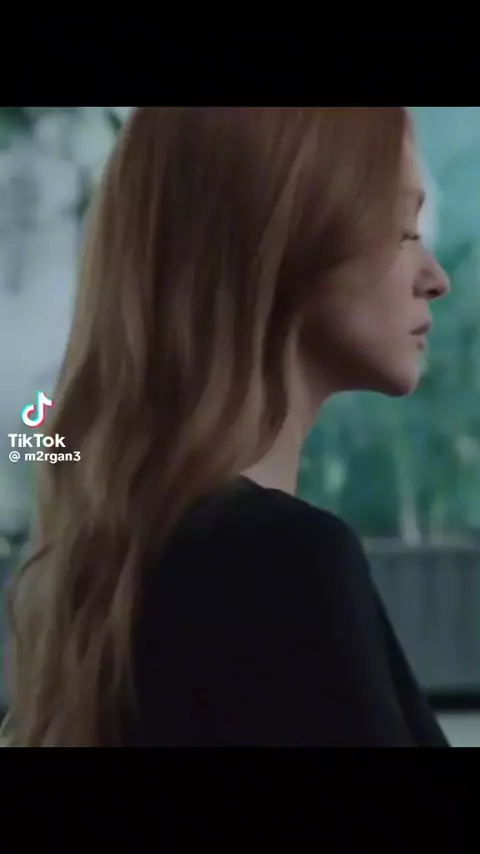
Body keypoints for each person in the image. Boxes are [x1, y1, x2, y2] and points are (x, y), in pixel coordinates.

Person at [5, 107, 450, 747]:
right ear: (286, 234)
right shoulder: (278, 564)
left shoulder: (132, 562)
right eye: (404, 230)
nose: (436, 278)